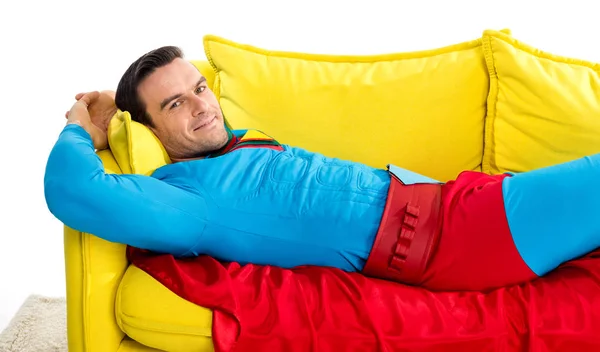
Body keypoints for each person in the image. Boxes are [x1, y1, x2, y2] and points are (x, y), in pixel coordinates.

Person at [44, 46, 600, 292]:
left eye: (199, 87)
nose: (202, 106)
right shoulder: (188, 198)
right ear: (151, 131)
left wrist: (114, 103)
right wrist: (82, 128)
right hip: (452, 238)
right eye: (174, 105)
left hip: (453, 202)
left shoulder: (234, 148)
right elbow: (74, 190)